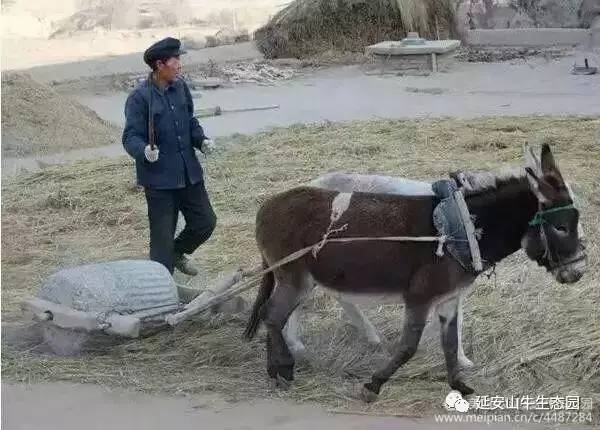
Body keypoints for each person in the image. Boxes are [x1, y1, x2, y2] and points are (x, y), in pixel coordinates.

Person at [122, 37, 217, 276]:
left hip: (189, 174)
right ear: (160, 64)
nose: (180, 65)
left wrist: (201, 140)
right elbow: (130, 136)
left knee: (205, 222)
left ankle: (177, 252)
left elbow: (190, 121)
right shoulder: (139, 98)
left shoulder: (181, 88)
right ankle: (163, 293)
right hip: (159, 182)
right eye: (176, 60)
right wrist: (143, 151)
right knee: (161, 241)